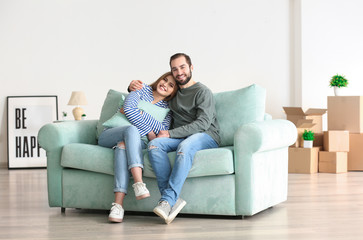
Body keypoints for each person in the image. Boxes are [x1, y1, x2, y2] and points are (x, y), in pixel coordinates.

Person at [128, 53, 220, 224]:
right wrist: (131, 86)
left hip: (206, 135)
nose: (179, 72)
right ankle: (171, 200)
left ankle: (166, 201)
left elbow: (203, 123)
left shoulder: (202, 91)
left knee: (184, 147)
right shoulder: (173, 92)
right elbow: (151, 93)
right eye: (174, 69)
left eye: (182, 67)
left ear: (191, 68)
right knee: (154, 145)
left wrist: (169, 133)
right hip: (180, 136)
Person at [98, 72, 178, 223]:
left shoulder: (168, 110)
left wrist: (140, 113)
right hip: (111, 134)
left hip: (138, 142)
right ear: (160, 78)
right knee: (131, 130)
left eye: (171, 85)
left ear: (174, 91)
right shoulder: (141, 89)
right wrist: (149, 130)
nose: (165, 85)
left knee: (123, 147)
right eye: (165, 80)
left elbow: (162, 131)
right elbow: (128, 109)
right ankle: (139, 183)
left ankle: (118, 206)